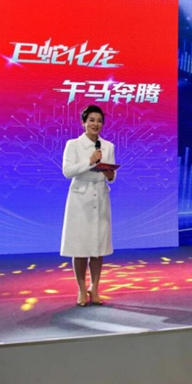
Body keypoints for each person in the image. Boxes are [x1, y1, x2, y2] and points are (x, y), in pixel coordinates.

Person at [61, 105, 116, 307]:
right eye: (91, 120)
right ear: (84, 122)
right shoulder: (73, 144)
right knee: (80, 246)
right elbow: (67, 171)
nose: (95, 124)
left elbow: (112, 175)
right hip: (80, 199)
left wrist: (110, 174)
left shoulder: (108, 146)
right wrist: (90, 161)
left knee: (98, 247)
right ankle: (81, 289)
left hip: (100, 197)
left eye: (99, 121)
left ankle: (95, 287)